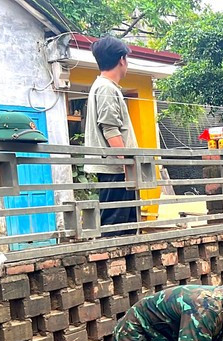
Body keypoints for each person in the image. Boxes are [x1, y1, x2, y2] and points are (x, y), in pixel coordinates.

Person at [84, 35, 138, 236]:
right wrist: (127, 164)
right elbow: (110, 130)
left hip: (117, 167)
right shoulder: (105, 88)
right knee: (115, 226)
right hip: (116, 168)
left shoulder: (104, 87)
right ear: (121, 59)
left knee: (126, 225)